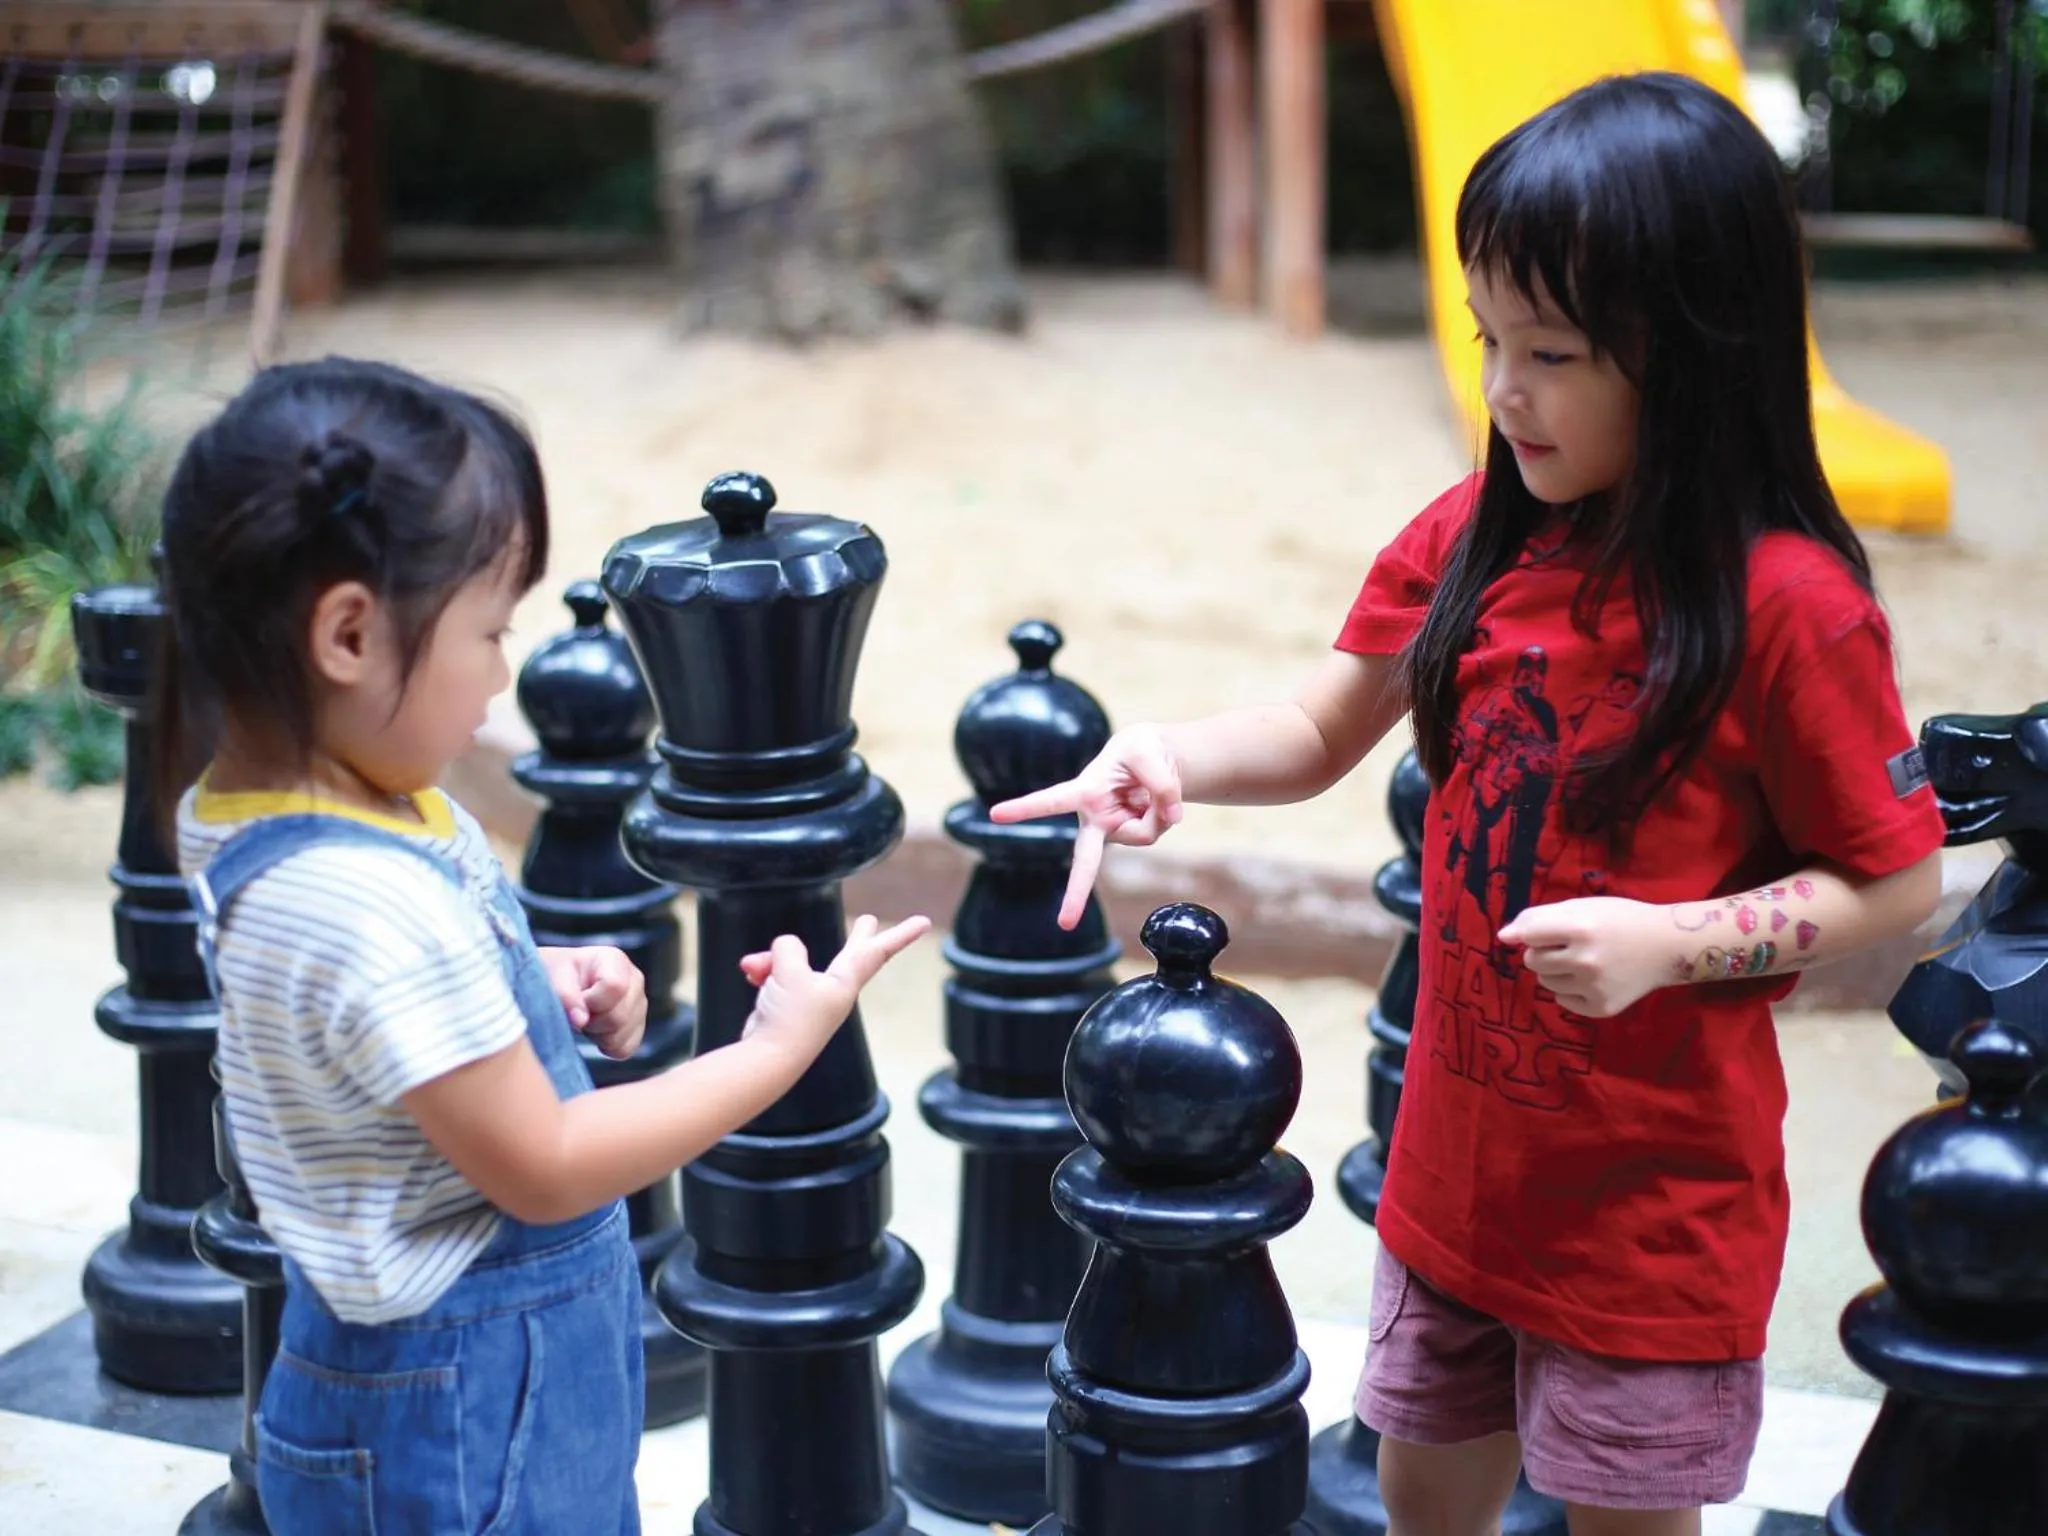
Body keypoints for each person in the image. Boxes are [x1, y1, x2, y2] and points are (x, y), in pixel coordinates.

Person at [992, 73, 1945, 1536]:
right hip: (1454, 1187)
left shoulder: (1790, 611)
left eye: (1550, 352)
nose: (1503, 392)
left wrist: (1670, 943)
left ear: (1697, 351)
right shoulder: (1475, 534)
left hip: (1652, 1221)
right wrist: (1172, 756)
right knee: (1422, 1496)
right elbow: (1318, 728)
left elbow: (1892, 884)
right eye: (1489, 337)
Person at [155, 357, 928, 1534]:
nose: (501, 672)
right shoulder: (365, 899)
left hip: (417, 1374)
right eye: (485, 629)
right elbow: (548, 1161)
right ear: (350, 634)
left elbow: (381, 1020)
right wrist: (770, 1056)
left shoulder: (283, 808)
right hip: (459, 1397)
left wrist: (529, 981)